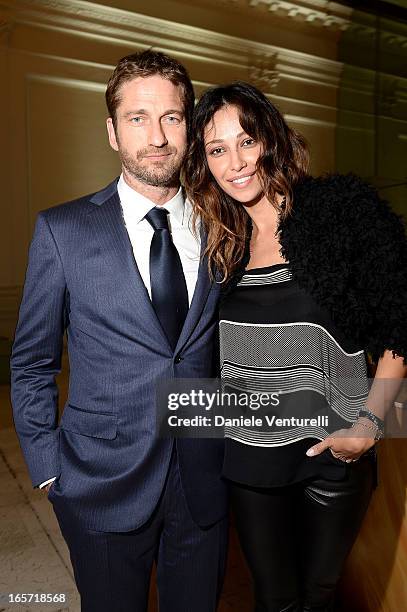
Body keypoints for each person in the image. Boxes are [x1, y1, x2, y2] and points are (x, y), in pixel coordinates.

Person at [10, 50, 228, 612]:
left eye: (172, 117)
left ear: (189, 126)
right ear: (112, 131)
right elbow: (33, 362)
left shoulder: (222, 227)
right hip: (100, 484)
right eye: (137, 118)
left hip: (203, 484)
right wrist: (47, 468)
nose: (156, 136)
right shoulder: (62, 230)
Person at [184, 81, 407, 612]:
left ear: (272, 139)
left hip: (334, 455)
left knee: (320, 594)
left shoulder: (340, 210)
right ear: (205, 163)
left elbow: (400, 326)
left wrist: (370, 425)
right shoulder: (216, 240)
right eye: (217, 149)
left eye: (247, 141)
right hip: (251, 459)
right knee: (275, 598)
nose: (235, 161)